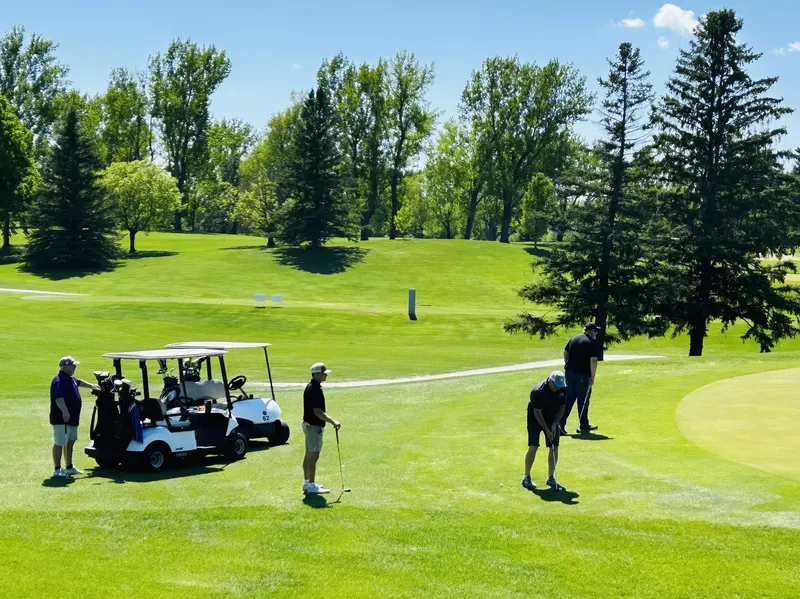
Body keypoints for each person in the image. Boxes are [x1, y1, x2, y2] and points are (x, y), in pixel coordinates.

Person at [50, 356, 99, 477]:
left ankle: (69, 467)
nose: (75, 367)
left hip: (72, 418)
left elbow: (78, 382)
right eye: (73, 365)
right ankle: (57, 469)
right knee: (60, 443)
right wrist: (65, 412)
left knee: (70, 442)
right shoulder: (59, 380)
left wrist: (92, 386)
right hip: (62, 418)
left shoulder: (69, 378)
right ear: (65, 366)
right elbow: (58, 398)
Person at [522, 370, 567, 492]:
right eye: (556, 386)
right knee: (533, 446)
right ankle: (526, 477)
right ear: (550, 381)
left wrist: (554, 424)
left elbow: (562, 409)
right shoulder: (538, 391)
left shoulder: (562, 388)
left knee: (554, 447)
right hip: (535, 418)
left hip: (552, 417)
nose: (558, 389)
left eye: (560, 387)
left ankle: (551, 477)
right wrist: (546, 430)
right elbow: (537, 412)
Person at [302, 362, 341, 495]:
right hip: (314, 426)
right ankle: (311, 485)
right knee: (313, 456)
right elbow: (318, 412)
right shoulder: (315, 389)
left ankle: (307, 483)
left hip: (308, 425)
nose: (326, 375)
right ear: (317, 374)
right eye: (324, 373)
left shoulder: (310, 386)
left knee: (308, 456)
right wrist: (333, 421)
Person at [559, 323, 602, 435]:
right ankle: (583, 425)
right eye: (595, 331)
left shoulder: (574, 339)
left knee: (568, 399)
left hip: (569, 374)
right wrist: (592, 377)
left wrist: (568, 364)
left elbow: (565, 353)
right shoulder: (590, 343)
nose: (596, 334)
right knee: (583, 400)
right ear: (591, 331)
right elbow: (593, 360)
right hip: (583, 376)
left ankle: (560, 424)